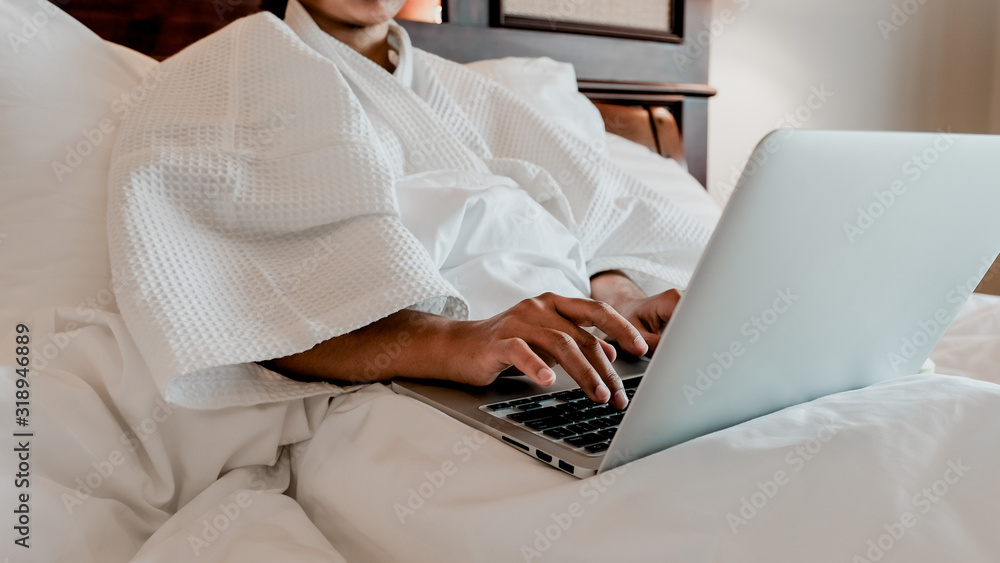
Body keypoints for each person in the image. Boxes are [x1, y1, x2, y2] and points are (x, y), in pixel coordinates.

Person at [106, 0, 710, 412]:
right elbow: (233, 288)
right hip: (413, 388)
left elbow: (602, 215)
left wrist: (621, 302)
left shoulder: (470, 91)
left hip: (583, 367)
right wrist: (452, 342)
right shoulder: (235, 67)